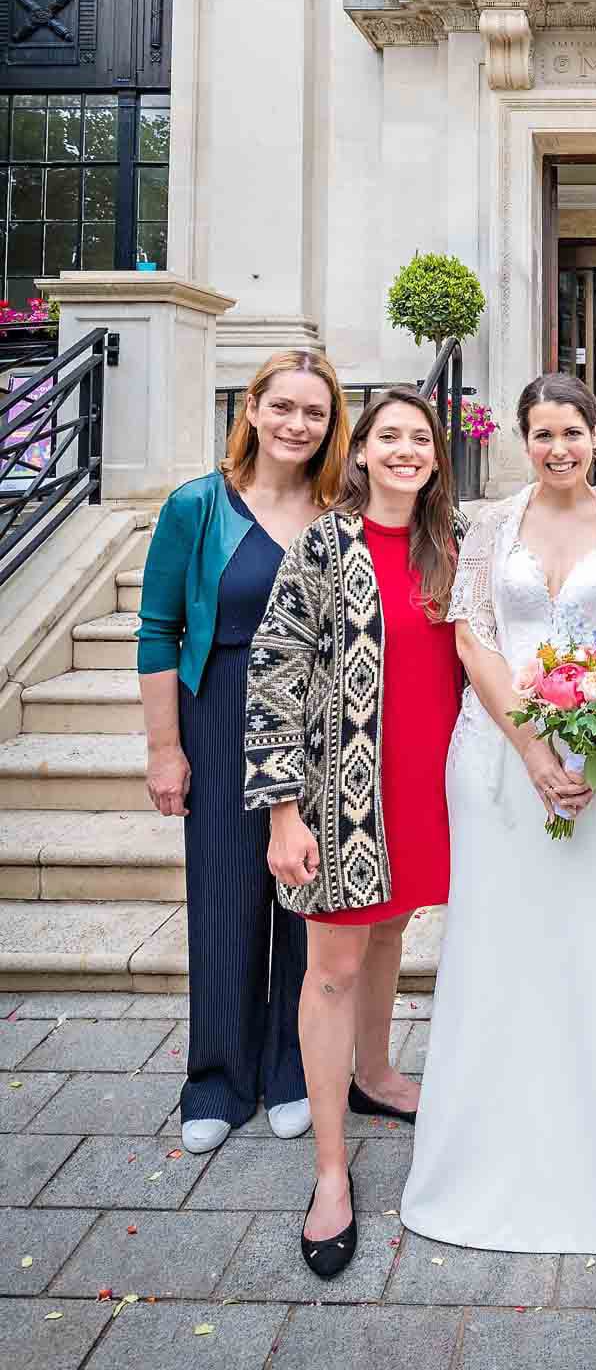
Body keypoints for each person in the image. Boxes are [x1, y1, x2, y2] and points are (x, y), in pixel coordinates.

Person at [401, 373, 596, 1254]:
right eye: (541, 434)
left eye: (571, 433)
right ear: (522, 440)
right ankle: (486, 1137)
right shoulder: (489, 525)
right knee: (500, 942)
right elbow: (471, 638)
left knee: (586, 942)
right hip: (499, 759)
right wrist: (532, 752)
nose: (557, 449)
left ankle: (590, 1136)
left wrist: (593, 745)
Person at [244, 388, 464, 1278]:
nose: (406, 450)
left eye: (421, 438)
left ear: (437, 457)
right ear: (361, 450)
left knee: (389, 937)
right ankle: (331, 1173)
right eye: (389, 437)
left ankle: (375, 1076)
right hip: (342, 799)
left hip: (431, 792)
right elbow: (273, 673)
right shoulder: (324, 546)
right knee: (330, 970)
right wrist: (283, 810)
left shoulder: (449, 546)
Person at [138, 348, 348, 1155]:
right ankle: (218, 1079)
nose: (298, 424)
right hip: (219, 708)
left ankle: (293, 1068)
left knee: (306, 897)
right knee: (226, 896)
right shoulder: (198, 505)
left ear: (332, 427)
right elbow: (159, 630)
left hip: (320, 722)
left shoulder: (342, 507)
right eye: (284, 407)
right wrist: (165, 748)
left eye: (316, 412)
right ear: (252, 410)